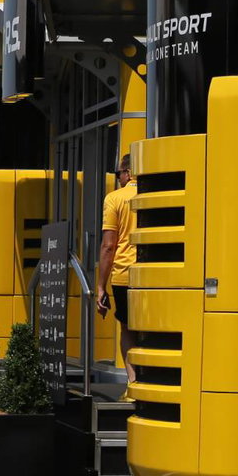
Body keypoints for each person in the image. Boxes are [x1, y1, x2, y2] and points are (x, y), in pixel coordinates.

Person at [97, 153, 139, 386]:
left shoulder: (114, 199)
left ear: (128, 172)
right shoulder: (155, 193)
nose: (119, 179)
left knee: (127, 327)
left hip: (124, 274)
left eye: (119, 174)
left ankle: (133, 382)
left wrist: (101, 286)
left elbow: (108, 245)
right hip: (152, 275)